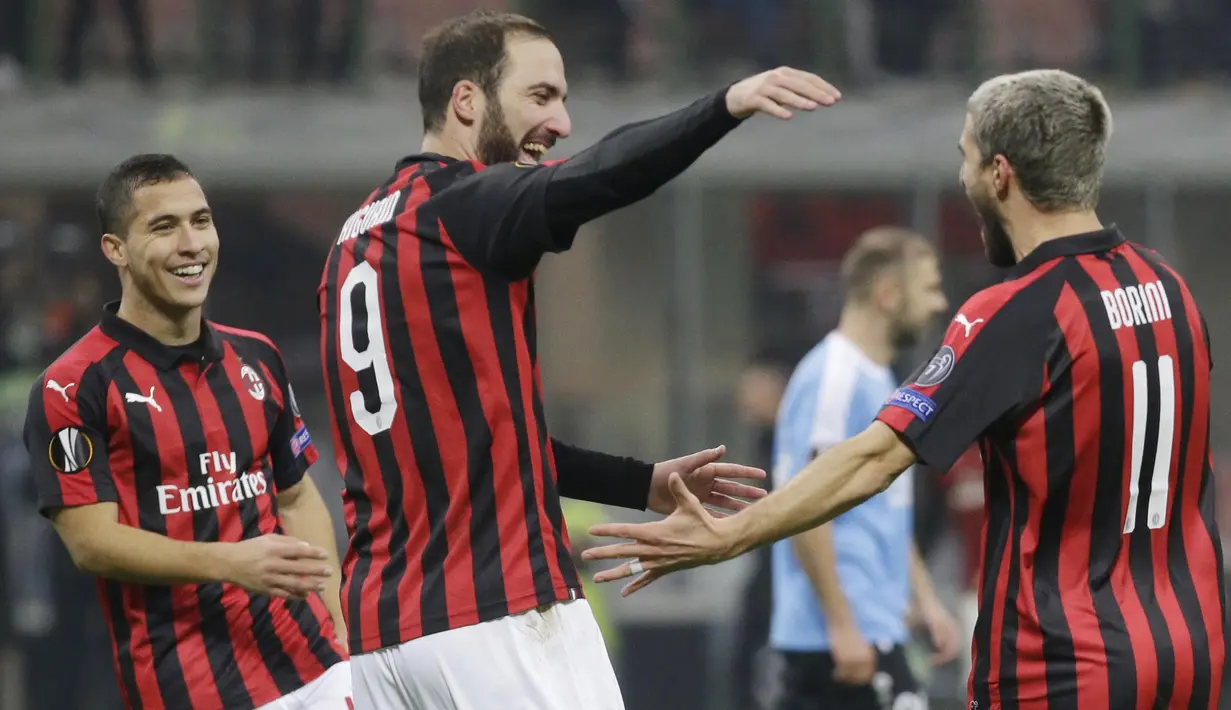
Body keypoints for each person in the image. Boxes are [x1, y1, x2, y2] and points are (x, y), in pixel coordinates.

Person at [583, 69, 1226, 710]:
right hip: (1189, 647)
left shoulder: (1017, 312)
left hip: (1066, 665)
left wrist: (733, 533)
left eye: (966, 159)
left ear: (1000, 174)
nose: (963, 178)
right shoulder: (1168, 286)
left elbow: (872, 458)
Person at [316, 9, 839, 710]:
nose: (561, 122)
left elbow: (483, 439)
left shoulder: (351, 245)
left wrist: (641, 482)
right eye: (540, 96)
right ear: (465, 100)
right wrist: (723, 105)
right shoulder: (463, 207)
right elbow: (599, 175)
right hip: (495, 615)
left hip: (385, 639)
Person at [23, 154, 352, 710]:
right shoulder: (71, 387)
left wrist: (339, 625)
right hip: (188, 686)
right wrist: (232, 563)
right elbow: (92, 544)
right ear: (115, 250)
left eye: (201, 221)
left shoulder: (258, 356)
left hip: (315, 663)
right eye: (163, 227)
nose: (191, 244)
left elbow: (296, 496)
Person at [768, 227, 960, 710]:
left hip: (875, 625)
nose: (939, 304)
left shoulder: (881, 378)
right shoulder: (834, 376)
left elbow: (880, 506)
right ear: (888, 295)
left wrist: (923, 598)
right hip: (835, 640)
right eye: (930, 288)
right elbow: (804, 507)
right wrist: (841, 624)